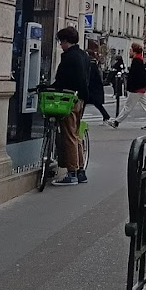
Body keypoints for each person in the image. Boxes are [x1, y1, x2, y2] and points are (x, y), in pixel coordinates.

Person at [52, 26, 90, 184]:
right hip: (80, 99)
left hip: (69, 99)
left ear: (66, 41)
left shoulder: (69, 57)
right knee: (75, 136)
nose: (61, 45)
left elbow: (62, 79)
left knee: (68, 136)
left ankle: (72, 173)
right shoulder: (83, 55)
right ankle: (80, 171)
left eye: (61, 41)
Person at [112, 41, 146, 129]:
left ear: (134, 52)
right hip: (141, 87)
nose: (129, 52)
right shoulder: (139, 61)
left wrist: (130, 87)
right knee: (145, 104)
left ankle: (116, 122)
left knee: (128, 106)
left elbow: (134, 77)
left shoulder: (136, 62)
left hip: (137, 88)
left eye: (131, 50)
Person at [86, 42, 112, 124]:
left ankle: (106, 116)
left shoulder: (91, 64)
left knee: (84, 102)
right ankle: (106, 116)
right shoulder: (93, 64)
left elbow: (91, 76)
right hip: (94, 89)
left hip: (92, 89)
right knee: (96, 104)